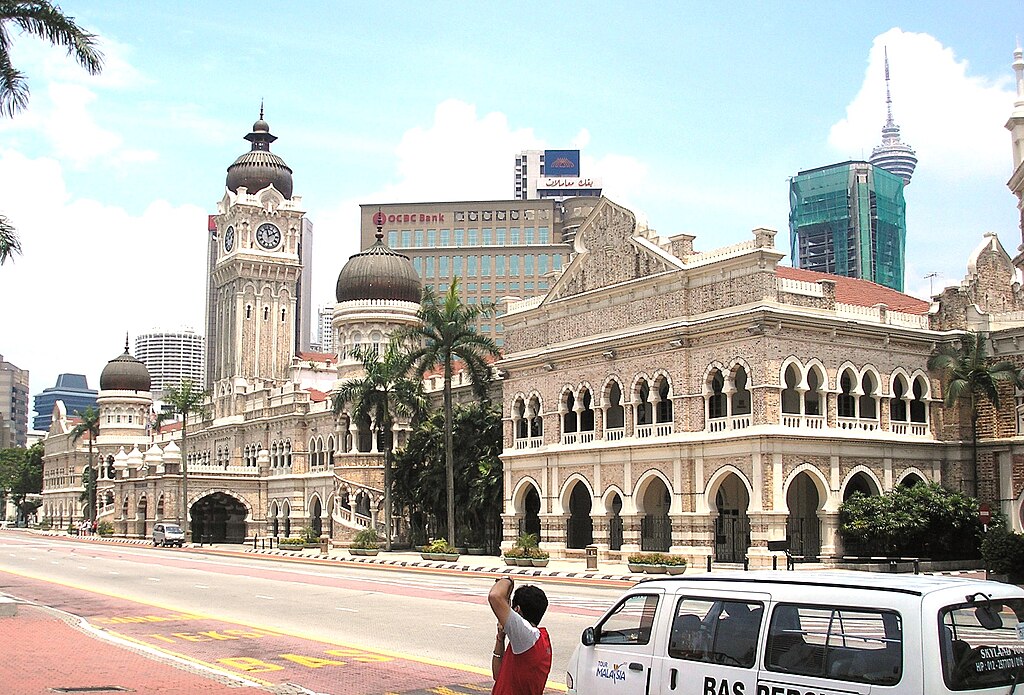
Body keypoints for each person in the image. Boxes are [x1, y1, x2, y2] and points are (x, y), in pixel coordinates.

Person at [487, 575, 551, 695]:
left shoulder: (527, 636)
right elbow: (498, 675)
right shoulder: (534, 639)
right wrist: (500, 639)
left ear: (517, 609)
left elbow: (495, 596)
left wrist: (507, 579)